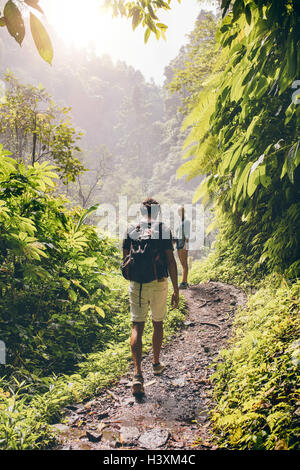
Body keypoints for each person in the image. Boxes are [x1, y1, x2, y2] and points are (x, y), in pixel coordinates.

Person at [122, 198, 179, 396]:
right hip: (158, 282)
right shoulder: (163, 229)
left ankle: (137, 375)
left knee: (137, 325)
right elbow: (171, 261)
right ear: (157, 212)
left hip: (137, 284)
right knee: (158, 323)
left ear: (141, 211)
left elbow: (124, 258)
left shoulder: (131, 228)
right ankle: (155, 363)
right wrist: (176, 290)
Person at [175, 205, 190, 289]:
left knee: (184, 263)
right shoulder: (180, 222)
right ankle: (184, 282)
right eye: (179, 211)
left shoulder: (186, 221)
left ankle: (184, 282)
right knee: (182, 263)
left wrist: (185, 245)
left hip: (183, 244)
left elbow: (187, 235)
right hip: (178, 244)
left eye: (181, 211)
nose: (180, 213)